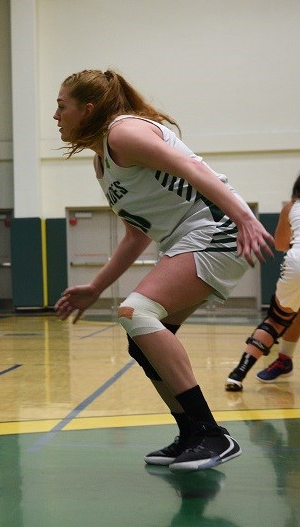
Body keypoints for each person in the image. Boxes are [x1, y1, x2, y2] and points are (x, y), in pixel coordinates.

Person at [51, 69, 274, 472]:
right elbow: (137, 234)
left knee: (137, 313)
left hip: (216, 228)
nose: (55, 116)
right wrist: (96, 287)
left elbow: (194, 169)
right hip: (189, 238)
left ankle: (212, 433)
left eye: (61, 106)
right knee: (143, 341)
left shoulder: (124, 133)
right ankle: (190, 433)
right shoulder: (104, 161)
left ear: (88, 109)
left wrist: (244, 217)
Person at [226, 172, 300, 390]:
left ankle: (238, 373)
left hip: (296, 264)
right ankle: (284, 360)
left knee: (278, 318)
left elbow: (279, 244)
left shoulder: (291, 206)